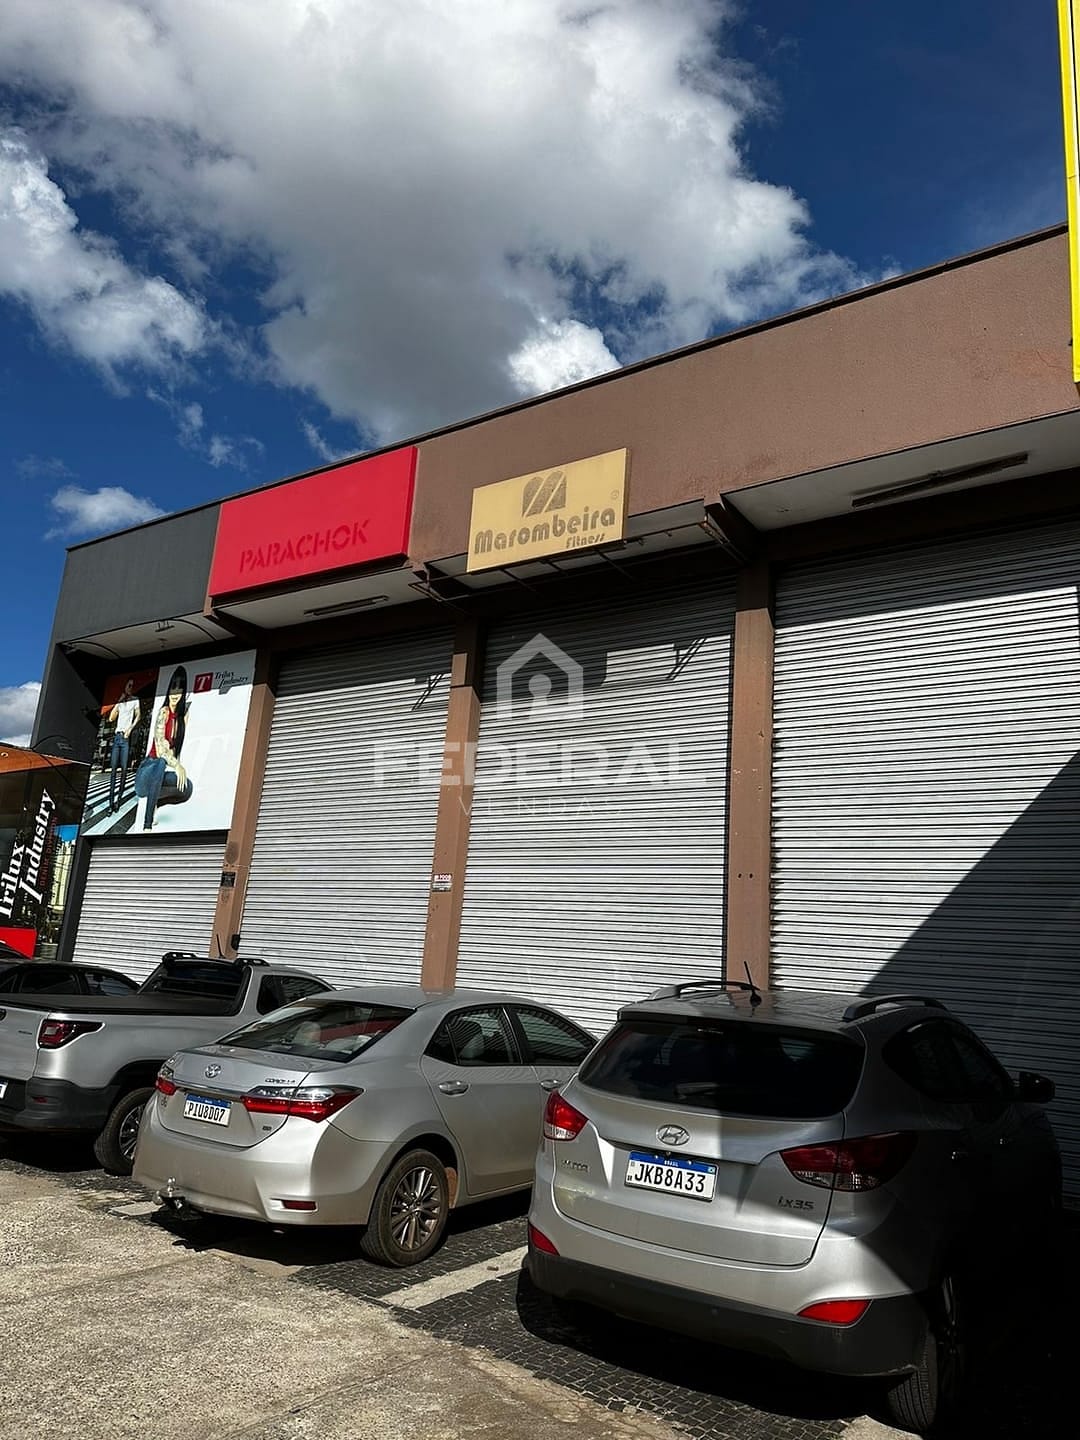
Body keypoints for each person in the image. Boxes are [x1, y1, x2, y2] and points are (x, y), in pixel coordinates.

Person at [134, 666, 194, 830]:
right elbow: (161, 749)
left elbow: (176, 747)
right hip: (146, 772)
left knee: (187, 788)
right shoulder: (163, 712)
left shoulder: (183, 716)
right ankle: (147, 823)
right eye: (173, 689)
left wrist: (177, 765)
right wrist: (177, 765)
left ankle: (157, 802)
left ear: (183, 692)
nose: (175, 694)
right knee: (160, 762)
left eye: (179, 689)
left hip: (159, 777)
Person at [106, 678, 141, 813]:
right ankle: (110, 804)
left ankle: (118, 802)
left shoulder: (135, 700)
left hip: (126, 738)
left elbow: (138, 716)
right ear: (125, 686)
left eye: (132, 685)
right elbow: (111, 718)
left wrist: (130, 729)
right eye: (129, 685)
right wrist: (119, 701)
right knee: (113, 771)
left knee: (124, 770)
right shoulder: (121, 702)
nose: (130, 688)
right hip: (117, 738)